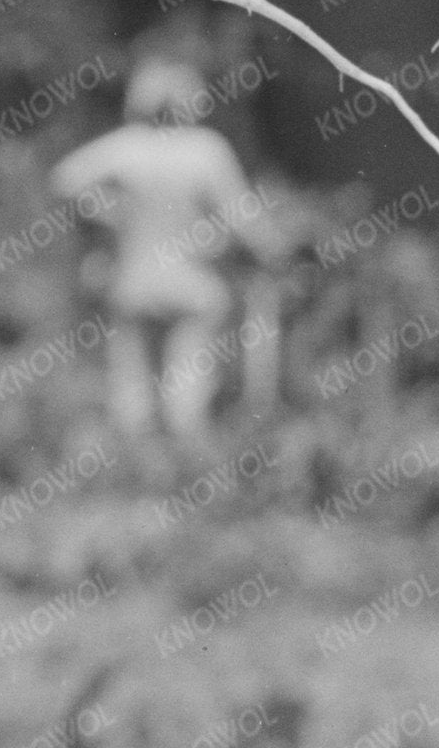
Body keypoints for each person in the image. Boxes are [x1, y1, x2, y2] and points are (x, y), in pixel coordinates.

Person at [43, 54, 274, 453]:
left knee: (131, 382)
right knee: (188, 379)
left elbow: (64, 180)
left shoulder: (127, 146)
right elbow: (245, 222)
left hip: (135, 282)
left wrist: (111, 214)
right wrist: (271, 247)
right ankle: (186, 461)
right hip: (191, 283)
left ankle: (133, 469)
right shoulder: (205, 150)